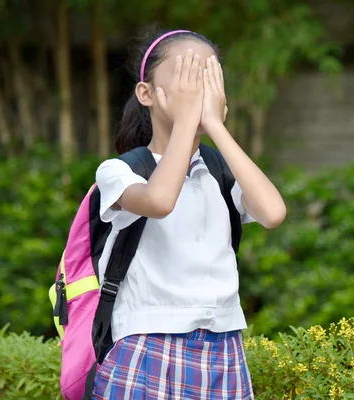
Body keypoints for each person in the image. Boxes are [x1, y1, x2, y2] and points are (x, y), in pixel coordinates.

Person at [91, 28, 287, 400]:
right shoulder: (119, 172)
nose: (195, 93)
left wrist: (214, 124)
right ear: (146, 94)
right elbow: (160, 200)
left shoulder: (218, 171)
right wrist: (186, 121)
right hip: (146, 343)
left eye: (206, 80)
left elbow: (273, 212)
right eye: (185, 79)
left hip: (224, 344)